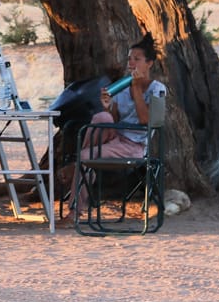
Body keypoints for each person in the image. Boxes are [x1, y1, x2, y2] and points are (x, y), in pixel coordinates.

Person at [62, 36, 166, 215]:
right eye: (129, 59)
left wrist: (136, 88)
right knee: (101, 116)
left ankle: (74, 211)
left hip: (133, 146)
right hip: (115, 138)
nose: (131, 63)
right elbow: (113, 119)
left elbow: (145, 120)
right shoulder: (122, 88)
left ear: (149, 63)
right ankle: (81, 164)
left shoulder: (157, 89)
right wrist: (107, 106)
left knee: (86, 156)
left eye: (137, 59)